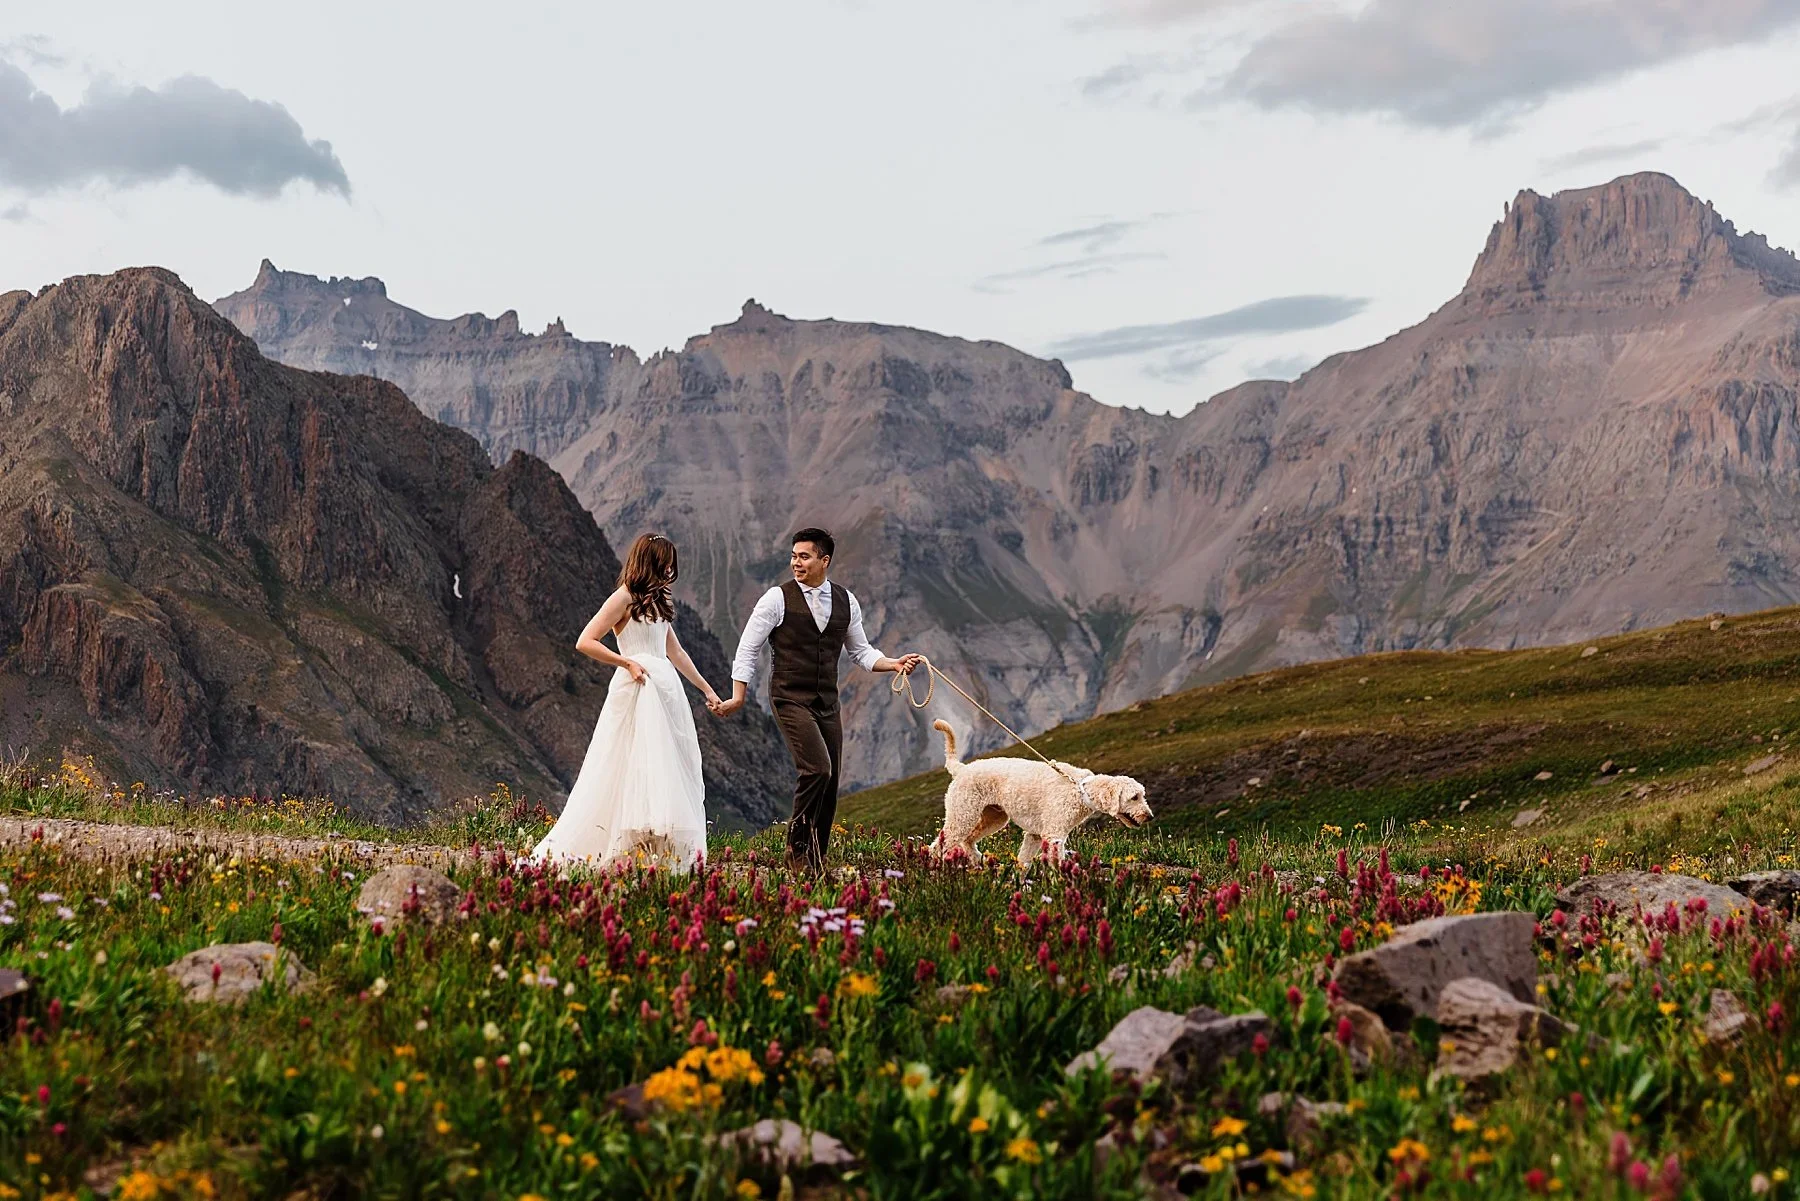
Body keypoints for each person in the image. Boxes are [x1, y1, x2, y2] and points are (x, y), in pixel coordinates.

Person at [713, 527, 922, 874]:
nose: (796, 563)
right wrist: (738, 696)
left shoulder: (846, 600)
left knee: (832, 777)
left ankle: (816, 858)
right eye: (794, 556)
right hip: (789, 698)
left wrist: (894, 664)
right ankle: (797, 855)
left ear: (824, 561)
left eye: (804, 556)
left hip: (828, 702)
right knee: (816, 769)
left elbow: (862, 652)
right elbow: (748, 648)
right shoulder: (775, 599)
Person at [530, 533, 723, 871]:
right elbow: (586, 641)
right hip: (637, 685)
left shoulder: (659, 601)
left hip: (664, 690)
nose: (669, 571)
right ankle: (621, 840)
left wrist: (706, 689)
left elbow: (675, 651)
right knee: (628, 760)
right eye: (664, 563)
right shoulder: (624, 598)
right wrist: (626, 662)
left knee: (663, 762)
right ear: (649, 561)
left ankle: (656, 845)